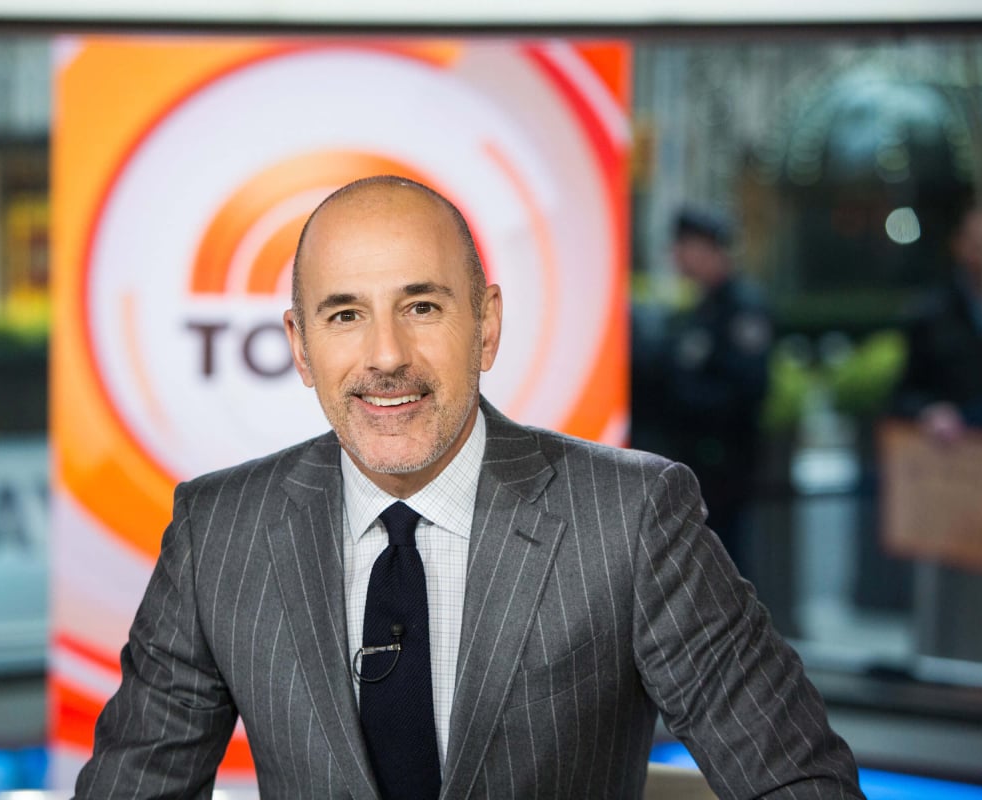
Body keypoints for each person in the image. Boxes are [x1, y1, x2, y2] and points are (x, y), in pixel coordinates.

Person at [74, 176, 861, 799]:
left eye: (422, 306)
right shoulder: (220, 532)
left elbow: (797, 782)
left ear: (485, 325)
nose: (386, 355)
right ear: (301, 346)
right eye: (345, 314)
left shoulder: (631, 517)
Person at [632, 207, 772, 575]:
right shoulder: (701, 308)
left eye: (682, 247)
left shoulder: (742, 308)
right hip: (696, 463)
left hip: (725, 463)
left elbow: (746, 391)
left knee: (725, 570)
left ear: (706, 248)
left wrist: (680, 397)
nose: (676, 258)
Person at [892, 205, 982, 440]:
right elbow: (904, 395)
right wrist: (930, 410)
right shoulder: (931, 314)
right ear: (960, 246)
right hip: (963, 450)